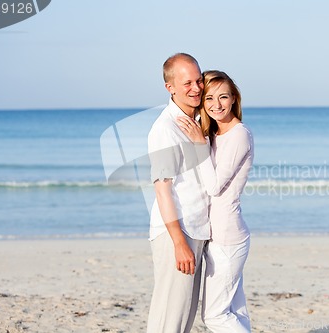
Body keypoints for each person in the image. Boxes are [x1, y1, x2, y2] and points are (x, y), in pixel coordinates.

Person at [177, 70, 254, 333]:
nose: (216, 104)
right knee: (235, 311)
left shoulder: (239, 134)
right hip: (217, 236)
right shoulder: (215, 135)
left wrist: (199, 143)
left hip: (228, 238)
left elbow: (213, 185)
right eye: (209, 98)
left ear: (234, 99)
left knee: (215, 316)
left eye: (223, 97)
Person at [147, 53, 210, 333]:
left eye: (199, 80)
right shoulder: (165, 129)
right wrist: (179, 242)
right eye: (187, 83)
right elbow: (162, 190)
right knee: (169, 318)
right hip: (177, 232)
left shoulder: (195, 121)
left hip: (195, 229)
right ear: (170, 87)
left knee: (183, 316)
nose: (196, 88)